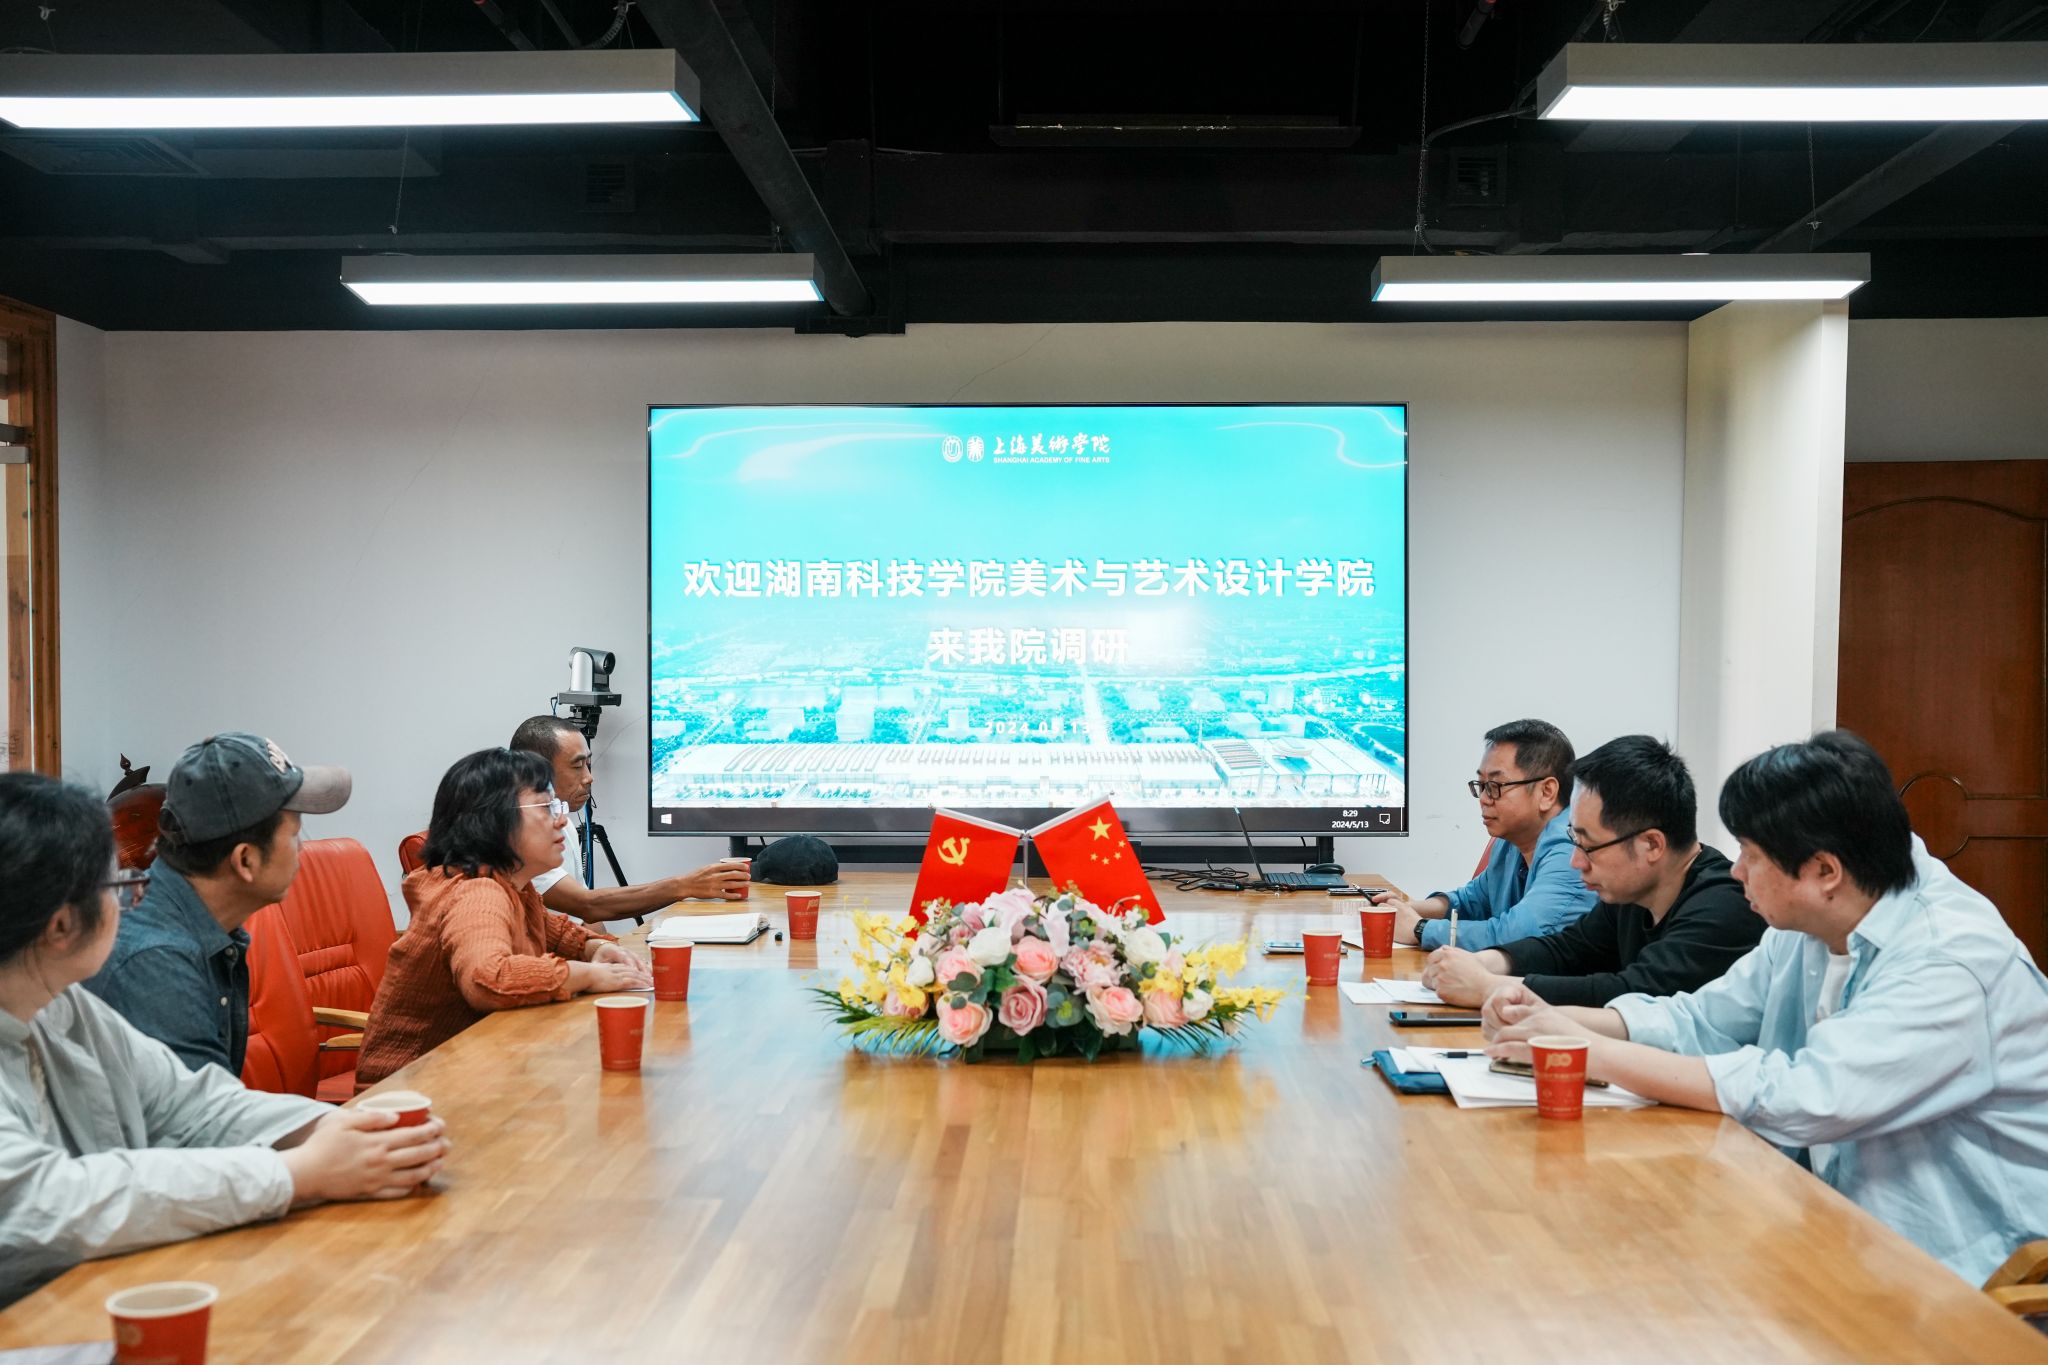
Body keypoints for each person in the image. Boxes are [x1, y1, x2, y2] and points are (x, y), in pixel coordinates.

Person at [1485, 731, 2048, 1285]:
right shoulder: (1815, 918)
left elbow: (1808, 1097)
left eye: (1751, 856)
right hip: (1835, 1229)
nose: (1736, 871)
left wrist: (1588, 1051)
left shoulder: (1948, 959)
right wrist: (1550, 1020)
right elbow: (1702, 1019)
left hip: (1968, 1274)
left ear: (1824, 871)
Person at [0, 772, 448, 1307]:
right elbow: (44, 1202)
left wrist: (338, 1129)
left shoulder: (62, 1003)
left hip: (89, 1290)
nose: (131, 901)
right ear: (59, 926)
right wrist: (295, 1173)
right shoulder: (139, 963)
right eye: (118, 887)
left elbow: (193, 1103)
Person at [356, 748, 652, 1089]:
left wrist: (594, 948)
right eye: (545, 808)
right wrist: (586, 975)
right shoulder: (476, 892)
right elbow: (489, 978)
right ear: (492, 819)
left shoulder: (510, 884)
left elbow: (552, 930)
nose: (561, 821)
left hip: (473, 1070)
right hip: (412, 1089)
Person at [1421, 735, 1761, 1008]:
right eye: (1575, 840)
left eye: (1589, 846)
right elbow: (1567, 949)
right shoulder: (1633, 893)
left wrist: (1490, 987)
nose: (1576, 861)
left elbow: (1634, 993)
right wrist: (1486, 963)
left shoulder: (1723, 906)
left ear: (1652, 845)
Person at [84, 732, 351, 1076]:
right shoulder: (156, 964)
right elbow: (201, 1110)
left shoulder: (201, 927)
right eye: (293, 834)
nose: (300, 849)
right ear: (245, 860)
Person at [1373, 718, 1595, 950]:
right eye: (1481, 785)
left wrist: (1419, 928)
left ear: (1547, 792)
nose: (1484, 799)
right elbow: (1472, 901)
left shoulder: (1572, 848)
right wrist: (1405, 909)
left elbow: (1521, 935)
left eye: (1495, 786)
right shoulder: (1510, 841)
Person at [508, 716, 748, 926]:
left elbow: (583, 921)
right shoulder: (518, 840)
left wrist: (611, 949)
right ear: (536, 771)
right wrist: (685, 886)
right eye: (577, 766)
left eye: (588, 764)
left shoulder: (563, 823)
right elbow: (587, 906)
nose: (589, 778)